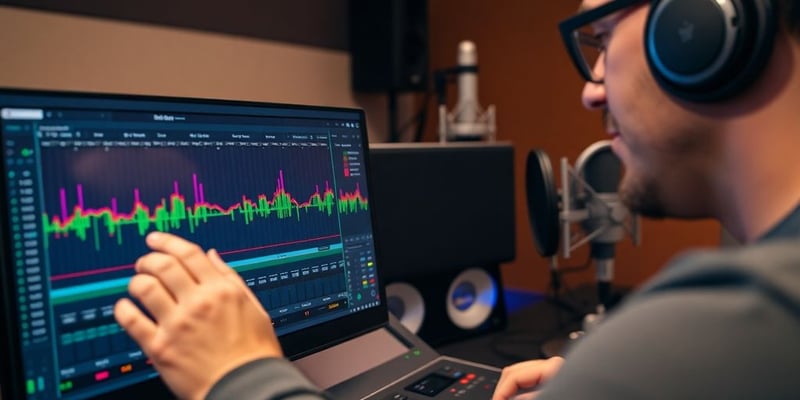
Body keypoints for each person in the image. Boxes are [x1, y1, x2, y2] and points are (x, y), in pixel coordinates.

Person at [114, 0, 800, 398]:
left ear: (702, 27)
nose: (592, 87)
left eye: (601, 38)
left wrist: (236, 377)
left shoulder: (744, 318)